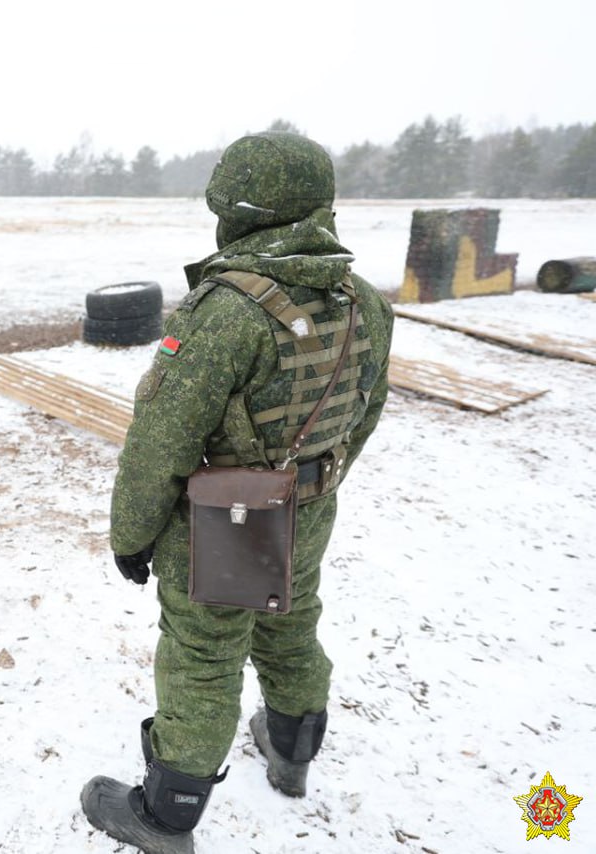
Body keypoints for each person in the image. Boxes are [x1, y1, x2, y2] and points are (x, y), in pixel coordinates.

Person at [80, 132, 394, 853]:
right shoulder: (364, 304)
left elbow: (159, 441)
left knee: (204, 652)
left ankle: (167, 814)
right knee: (291, 620)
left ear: (237, 207)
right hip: (310, 505)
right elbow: (366, 413)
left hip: (225, 517)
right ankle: (292, 754)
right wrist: (311, 484)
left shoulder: (224, 313)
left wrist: (131, 535)